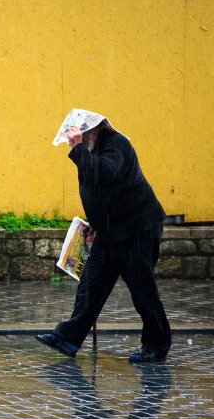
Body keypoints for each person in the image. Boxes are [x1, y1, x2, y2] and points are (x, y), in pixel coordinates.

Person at [36, 118, 171, 362]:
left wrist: (77, 149)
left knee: (143, 290)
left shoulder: (116, 143)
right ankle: (68, 338)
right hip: (109, 231)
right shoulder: (90, 151)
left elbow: (103, 173)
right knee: (91, 286)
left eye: (77, 136)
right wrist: (95, 223)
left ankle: (156, 344)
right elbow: (100, 191)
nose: (72, 142)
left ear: (91, 131)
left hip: (137, 229)